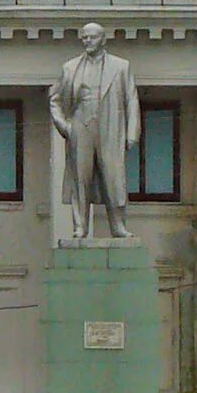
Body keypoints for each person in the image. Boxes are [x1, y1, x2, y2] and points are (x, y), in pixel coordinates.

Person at [49, 20, 140, 240]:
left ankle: (118, 225)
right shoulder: (70, 68)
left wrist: (131, 133)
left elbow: (132, 100)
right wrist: (65, 126)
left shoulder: (121, 66)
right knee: (81, 177)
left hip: (110, 127)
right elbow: (55, 99)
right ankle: (80, 226)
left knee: (113, 177)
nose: (88, 41)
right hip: (81, 126)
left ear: (103, 39)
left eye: (92, 37)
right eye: (84, 37)